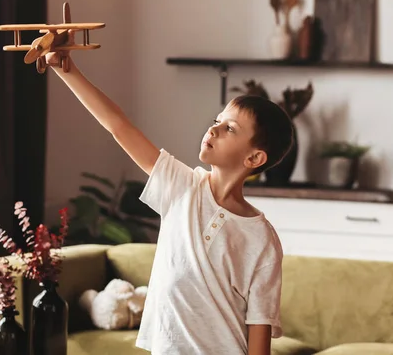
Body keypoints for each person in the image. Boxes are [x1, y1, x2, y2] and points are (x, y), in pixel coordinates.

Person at [47, 49, 294, 355]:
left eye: (230, 128)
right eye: (218, 120)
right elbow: (119, 126)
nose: (213, 128)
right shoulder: (182, 186)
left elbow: (260, 324)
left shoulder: (262, 239)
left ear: (254, 157)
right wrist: (66, 70)